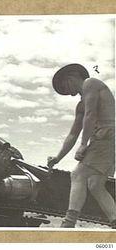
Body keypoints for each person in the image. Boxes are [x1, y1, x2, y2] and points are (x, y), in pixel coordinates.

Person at [47, 63, 116, 229]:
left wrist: (84, 145)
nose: (68, 93)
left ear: (71, 77)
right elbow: (73, 134)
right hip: (104, 141)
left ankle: (68, 224)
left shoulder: (90, 83)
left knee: (78, 174)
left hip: (107, 137)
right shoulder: (80, 105)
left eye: (65, 86)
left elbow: (91, 114)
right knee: (95, 185)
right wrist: (57, 158)